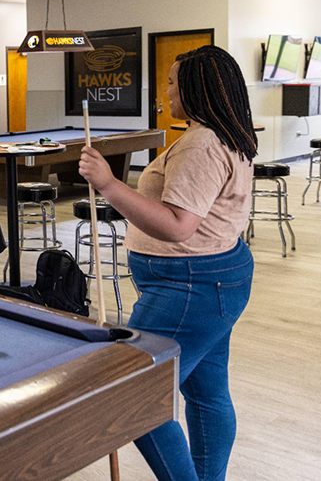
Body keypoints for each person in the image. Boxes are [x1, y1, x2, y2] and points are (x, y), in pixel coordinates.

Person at [78, 45, 256, 481]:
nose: (167, 90)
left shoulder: (200, 144)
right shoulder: (227, 132)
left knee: (133, 394)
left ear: (195, 89)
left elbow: (179, 226)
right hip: (215, 281)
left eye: (173, 82)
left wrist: (109, 185)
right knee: (207, 391)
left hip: (191, 286)